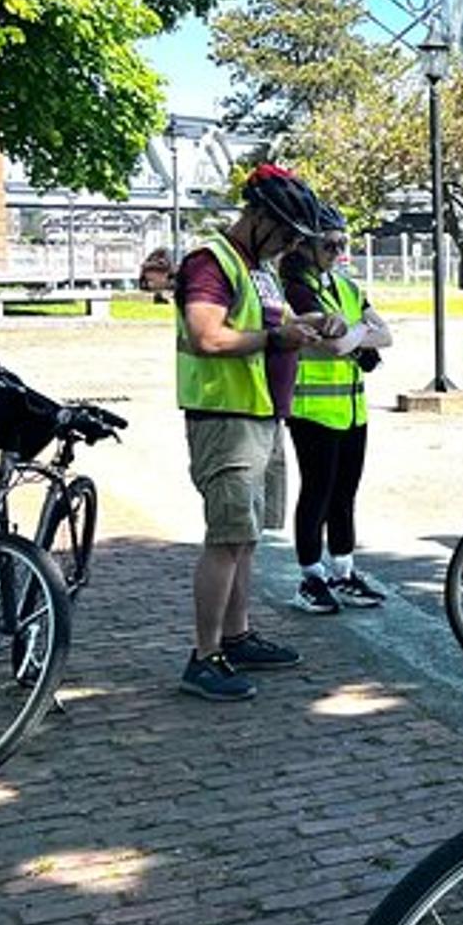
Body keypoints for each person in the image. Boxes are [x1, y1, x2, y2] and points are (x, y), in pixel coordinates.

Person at [175, 164, 344, 702]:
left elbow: (277, 325)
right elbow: (208, 336)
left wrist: (317, 326)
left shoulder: (260, 269)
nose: (292, 244)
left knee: (245, 539)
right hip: (225, 417)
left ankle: (237, 635)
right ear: (259, 217)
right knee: (225, 538)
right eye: (288, 233)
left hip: (262, 416)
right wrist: (279, 338)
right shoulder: (210, 262)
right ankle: (203, 657)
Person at [284, 205, 392, 614]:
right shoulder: (296, 287)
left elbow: (386, 335)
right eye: (328, 244)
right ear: (306, 245)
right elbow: (333, 345)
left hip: (351, 408)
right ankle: (311, 577)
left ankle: (343, 571)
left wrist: (358, 333)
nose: (337, 250)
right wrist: (361, 334)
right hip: (312, 409)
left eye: (342, 243)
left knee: (345, 492)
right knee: (317, 492)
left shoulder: (344, 286)